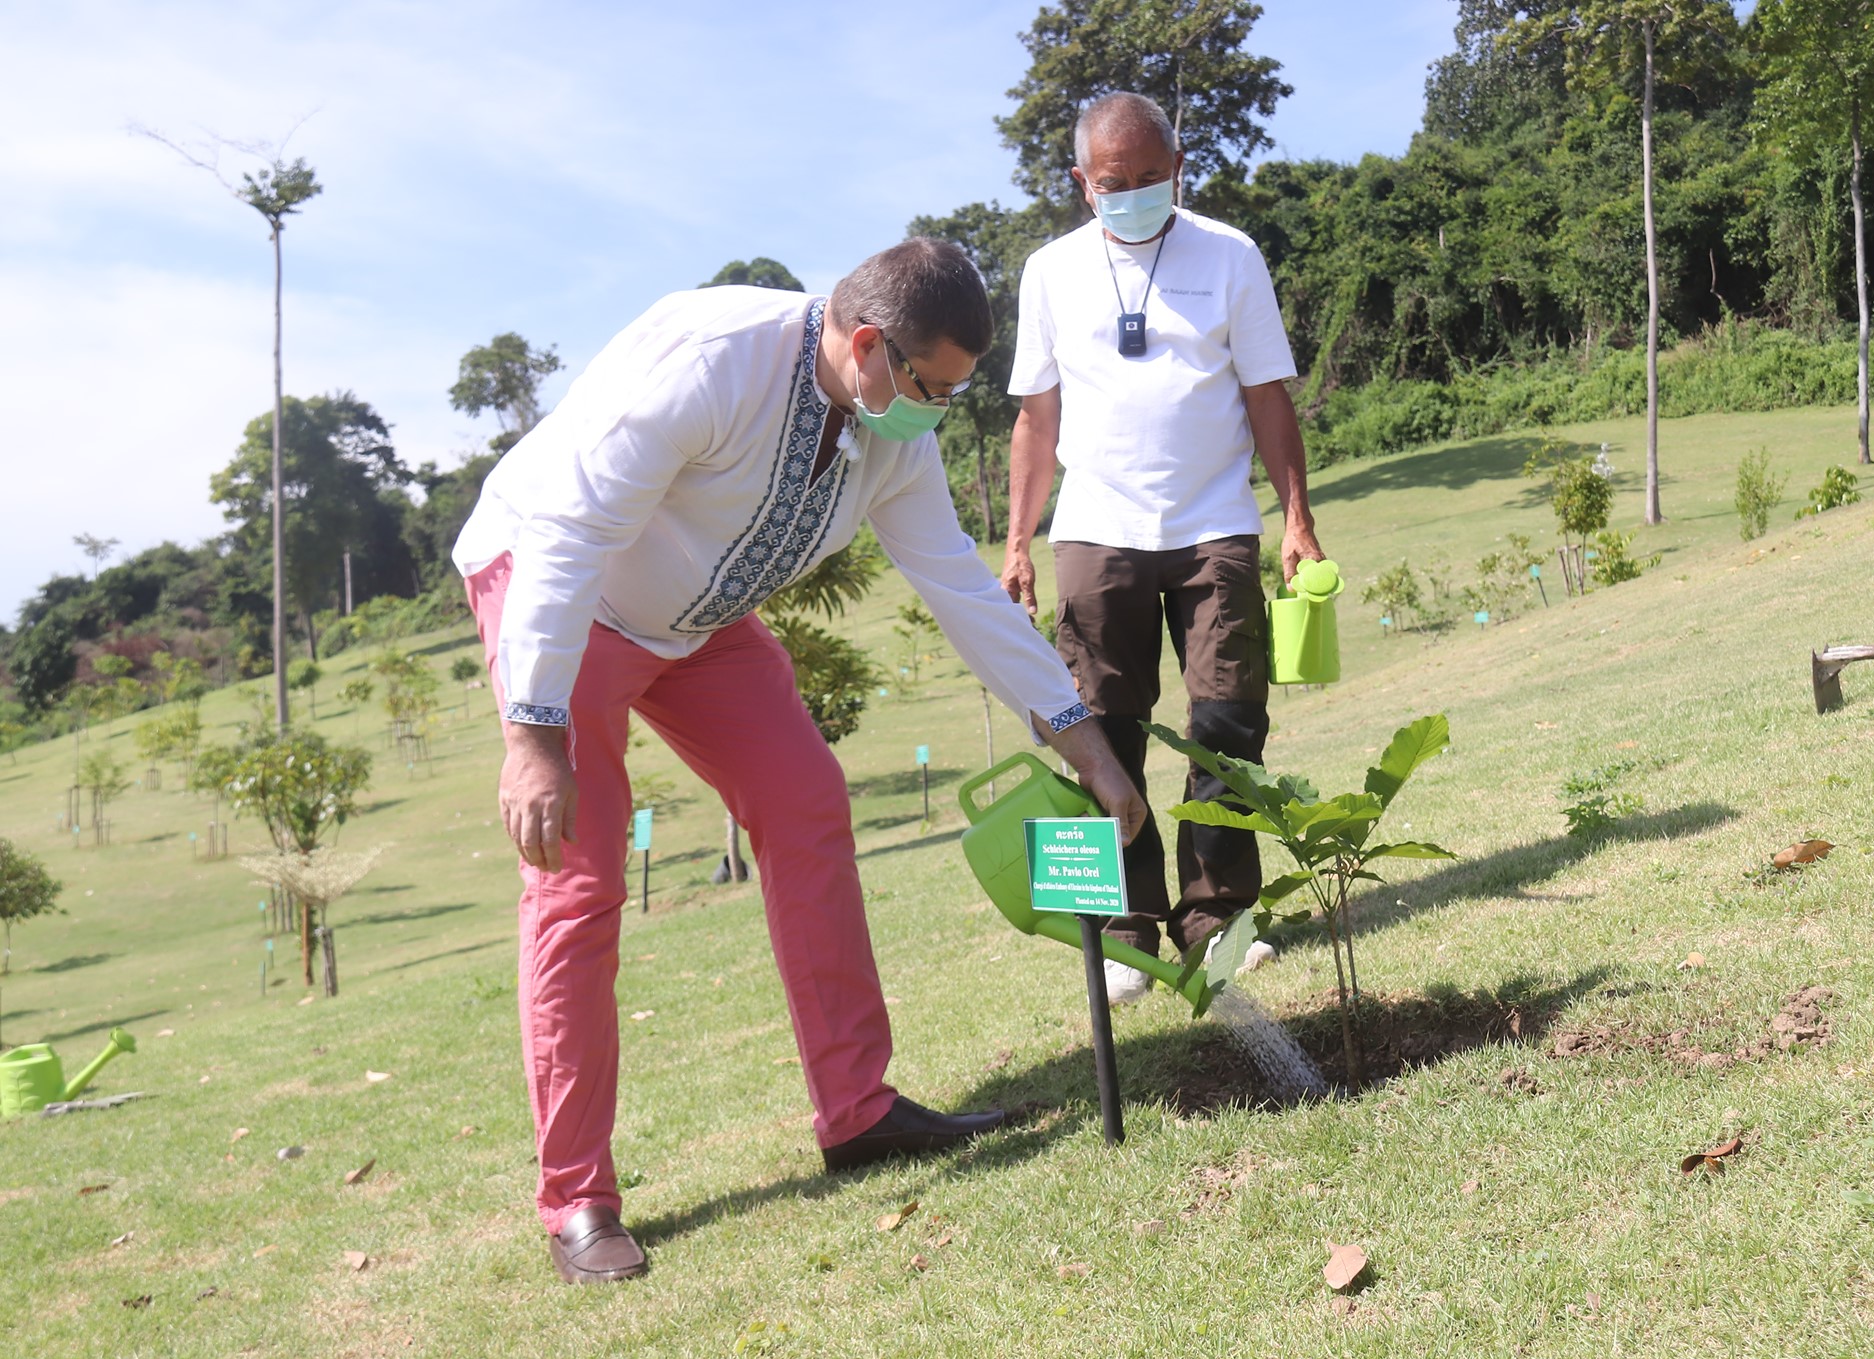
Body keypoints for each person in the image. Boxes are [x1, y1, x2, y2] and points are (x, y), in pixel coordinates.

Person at [453, 238, 1146, 1284]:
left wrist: (1073, 728)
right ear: (865, 344)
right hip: (562, 602)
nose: (937, 413)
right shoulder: (708, 360)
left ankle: (856, 1111)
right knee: (579, 886)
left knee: (807, 804)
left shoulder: (886, 431)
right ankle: (578, 1201)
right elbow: (566, 531)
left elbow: (956, 584)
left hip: (698, 624)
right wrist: (533, 733)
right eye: (932, 387)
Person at [1002, 92, 1324, 1004]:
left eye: (1153, 177)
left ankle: (1219, 915)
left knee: (1226, 722)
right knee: (1102, 724)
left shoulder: (1229, 254)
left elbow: (1268, 394)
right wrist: (1019, 540)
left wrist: (1296, 515)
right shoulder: (1050, 271)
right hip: (1096, 531)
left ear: (1179, 166)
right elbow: (1036, 414)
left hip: (1215, 523)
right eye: (1115, 182)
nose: (1136, 194)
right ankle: (1128, 929)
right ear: (1081, 183)